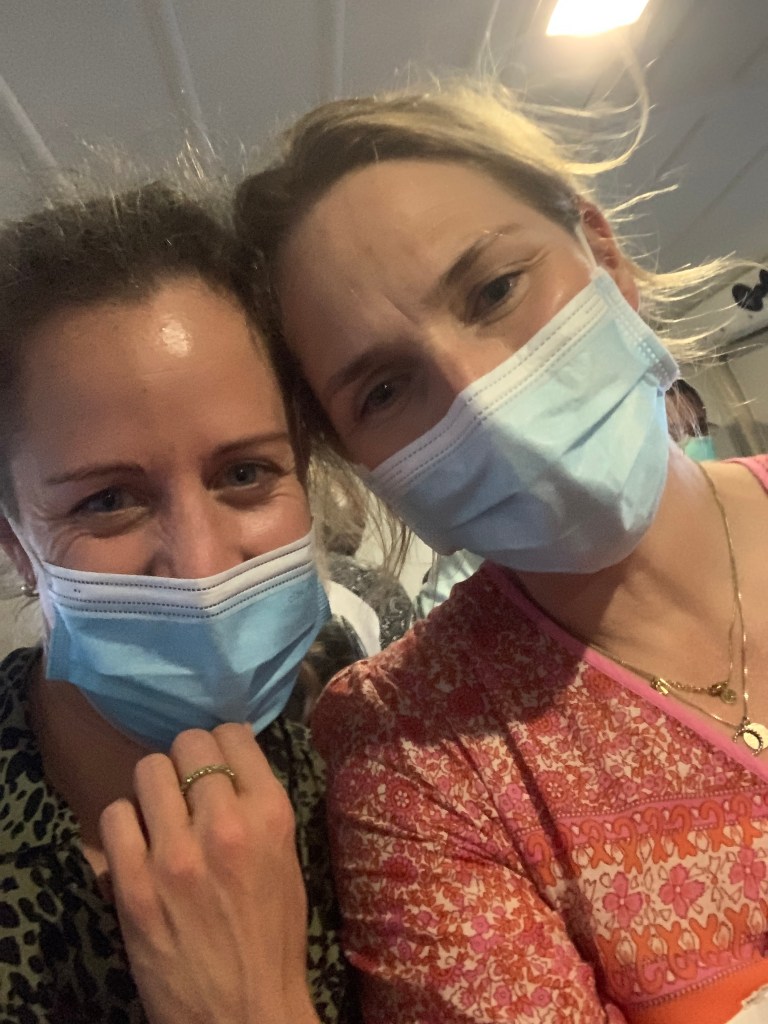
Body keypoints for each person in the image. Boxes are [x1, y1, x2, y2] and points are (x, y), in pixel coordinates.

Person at [233, 84, 768, 1023]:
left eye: (494, 290)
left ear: (604, 257)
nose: (482, 400)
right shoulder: (414, 751)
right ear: (360, 462)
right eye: (385, 390)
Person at [0, 181, 358, 1022]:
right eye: (106, 501)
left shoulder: (363, 733)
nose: (199, 564)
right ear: (16, 546)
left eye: (245, 473)